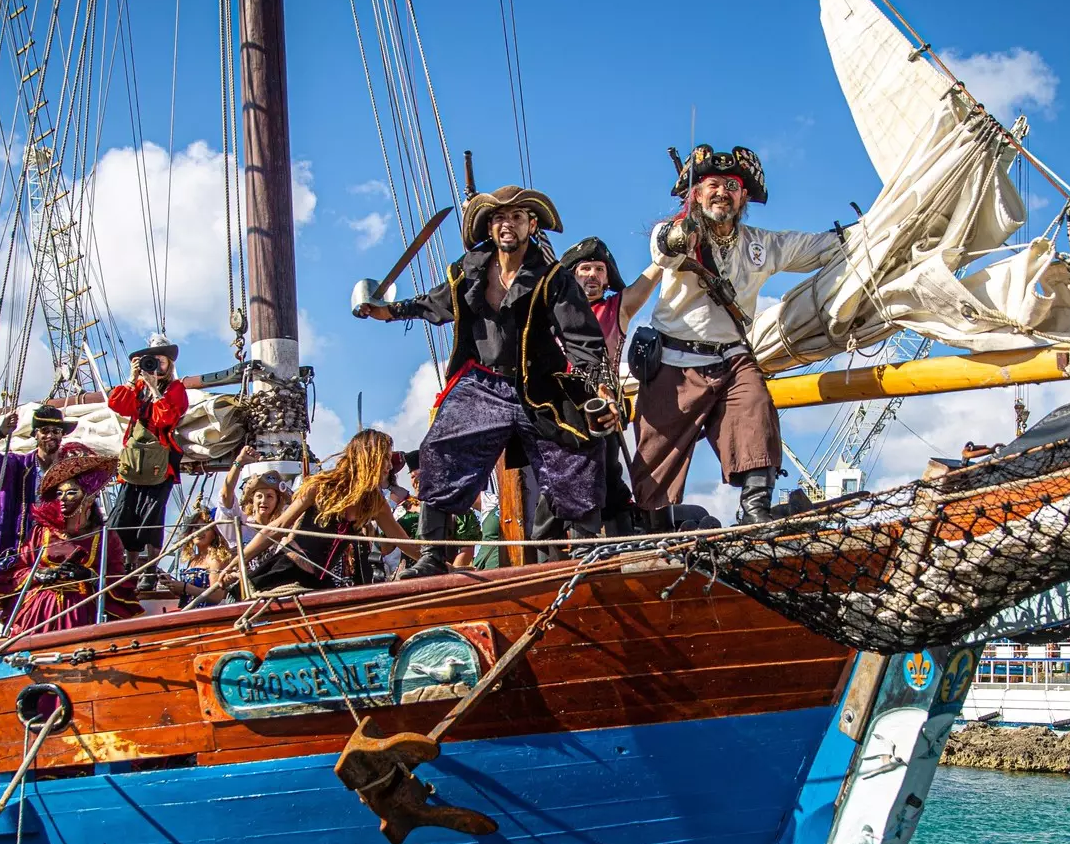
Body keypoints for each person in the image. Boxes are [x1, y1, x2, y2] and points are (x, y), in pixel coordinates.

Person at [354, 186, 619, 579]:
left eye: (515, 217)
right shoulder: (469, 271)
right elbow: (433, 303)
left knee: (576, 447)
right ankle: (432, 555)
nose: (506, 224)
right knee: (440, 447)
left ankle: (583, 549)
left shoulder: (553, 279)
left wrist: (602, 389)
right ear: (490, 228)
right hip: (483, 384)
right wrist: (387, 311)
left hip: (538, 385)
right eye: (498, 218)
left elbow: (583, 339)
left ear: (531, 224)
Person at [625, 144, 843, 525]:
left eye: (732, 185)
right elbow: (664, 250)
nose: (722, 191)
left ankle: (755, 514)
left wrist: (875, 230)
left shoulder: (763, 245)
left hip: (731, 358)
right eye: (712, 184)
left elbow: (820, 247)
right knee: (653, 460)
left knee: (756, 412)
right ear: (696, 193)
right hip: (673, 363)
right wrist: (681, 235)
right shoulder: (678, 232)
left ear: (743, 196)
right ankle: (649, 530)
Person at [236, 429, 417, 593]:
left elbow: (404, 543)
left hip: (320, 585)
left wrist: (439, 563)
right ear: (369, 458)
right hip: (284, 574)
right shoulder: (320, 487)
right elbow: (278, 526)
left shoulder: (375, 503)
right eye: (385, 458)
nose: (390, 466)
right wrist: (235, 563)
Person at [6, 451, 142, 633]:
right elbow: (19, 569)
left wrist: (90, 575)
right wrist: (39, 575)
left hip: (82, 610)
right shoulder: (42, 532)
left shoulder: (106, 537)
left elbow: (118, 579)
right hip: (39, 611)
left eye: (71, 493)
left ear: (89, 497)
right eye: (59, 493)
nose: (62, 498)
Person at [0, 403, 92, 620]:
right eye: (45, 431)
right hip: (25, 544)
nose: (51, 436)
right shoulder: (17, 465)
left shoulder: (72, 469)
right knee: (21, 602)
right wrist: (1, 431)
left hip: (62, 543)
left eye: (57, 431)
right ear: (35, 434)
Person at [559, 236, 640, 535]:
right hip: (559, 409)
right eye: (584, 269)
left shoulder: (615, 309)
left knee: (605, 474)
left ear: (607, 280)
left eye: (599, 269)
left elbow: (652, 276)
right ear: (572, 276)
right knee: (562, 477)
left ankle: (618, 544)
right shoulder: (553, 314)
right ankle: (562, 550)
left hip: (599, 404)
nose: (592, 275)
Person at [106, 333, 189, 573]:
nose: (156, 366)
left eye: (160, 361)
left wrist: (155, 391)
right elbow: (118, 405)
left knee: (152, 516)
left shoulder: (175, 388)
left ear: (169, 364)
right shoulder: (138, 386)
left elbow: (166, 418)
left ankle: (150, 568)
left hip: (161, 461)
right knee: (126, 513)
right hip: (135, 460)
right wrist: (132, 380)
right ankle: (129, 562)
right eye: (150, 360)